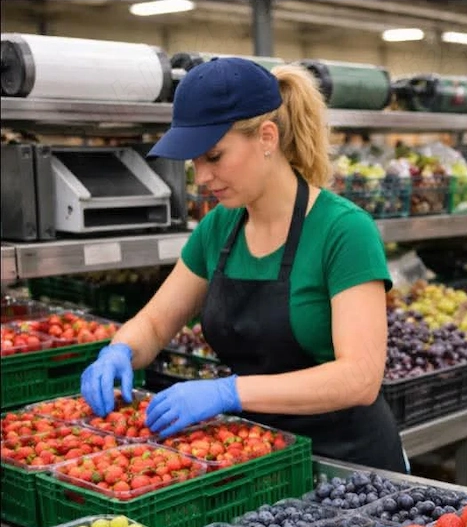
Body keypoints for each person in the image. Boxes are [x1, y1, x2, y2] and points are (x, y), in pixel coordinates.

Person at [79, 57, 408, 473]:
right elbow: (156, 324)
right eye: (194, 162)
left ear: (267, 137)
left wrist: (228, 393)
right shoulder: (218, 228)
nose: (201, 177)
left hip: (351, 466)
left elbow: (359, 378)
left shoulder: (343, 231)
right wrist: (120, 350)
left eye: (214, 157)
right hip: (258, 460)